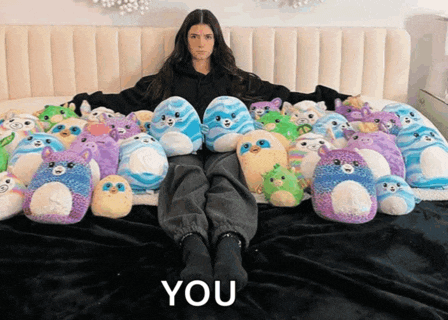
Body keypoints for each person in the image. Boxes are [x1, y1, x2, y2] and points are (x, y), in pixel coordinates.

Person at [65, 8, 350, 294]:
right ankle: (193, 245)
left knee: (227, 174)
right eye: (194, 36)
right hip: (183, 147)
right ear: (184, 40)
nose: (201, 43)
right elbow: (124, 99)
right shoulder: (166, 79)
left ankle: (230, 244)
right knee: (184, 175)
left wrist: (332, 98)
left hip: (222, 145)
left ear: (217, 41)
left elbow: (284, 95)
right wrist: (81, 102)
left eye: (207, 36)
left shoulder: (234, 78)